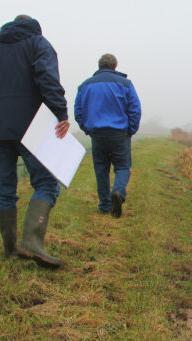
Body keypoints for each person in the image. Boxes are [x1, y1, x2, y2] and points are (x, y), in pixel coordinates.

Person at [0, 15, 70, 266]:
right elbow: (47, 78)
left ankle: (10, 250)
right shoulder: (38, 43)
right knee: (46, 183)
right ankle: (32, 244)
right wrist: (60, 113)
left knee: (5, 190)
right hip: (31, 127)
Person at [74, 54, 141, 218]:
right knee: (123, 167)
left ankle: (105, 205)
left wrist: (87, 129)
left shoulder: (85, 86)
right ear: (115, 66)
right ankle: (118, 192)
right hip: (119, 134)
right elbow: (135, 110)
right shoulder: (125, 84)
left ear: (99, 66)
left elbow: (78, 112)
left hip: (97, 134)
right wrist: (130, 130)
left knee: (101, 169)